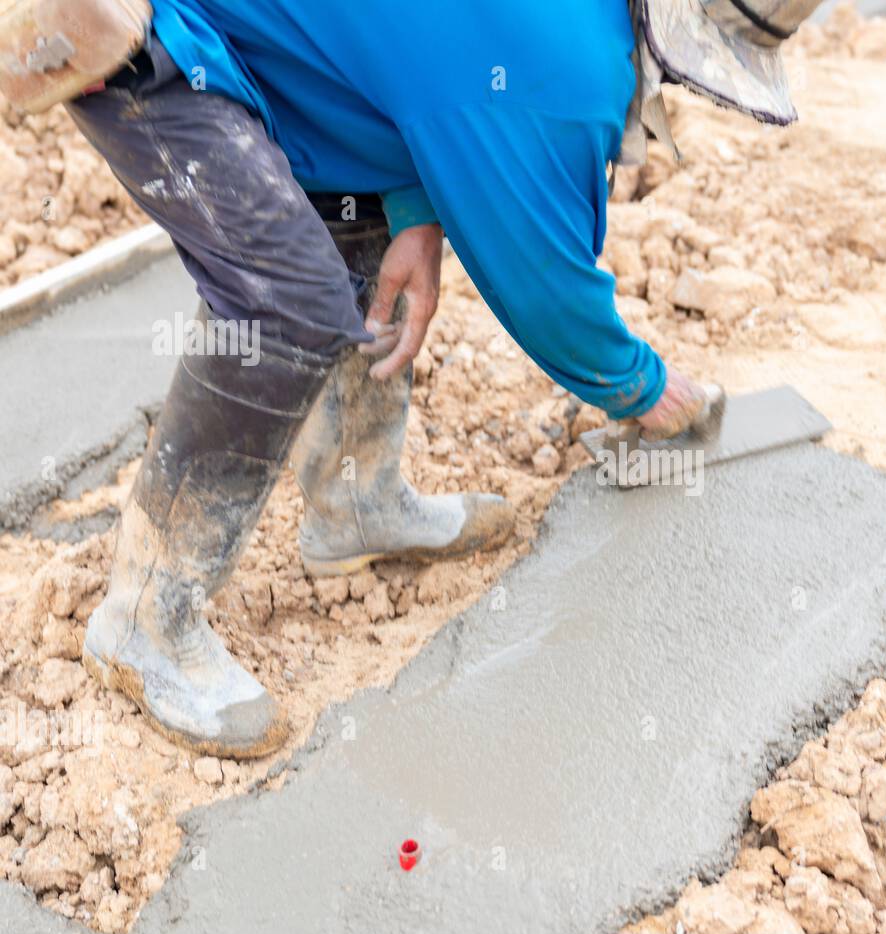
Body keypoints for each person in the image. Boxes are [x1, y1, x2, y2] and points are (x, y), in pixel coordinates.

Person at [51, 0, 823, 758]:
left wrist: (413, 210)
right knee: (285, 300)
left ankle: (355, 507)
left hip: (258, 45)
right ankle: (144, 621)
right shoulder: (569, 73)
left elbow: (411, 61)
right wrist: (644, 388)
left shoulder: (559, 29)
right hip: (147, 36)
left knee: (357, 220)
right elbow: (543, 288)